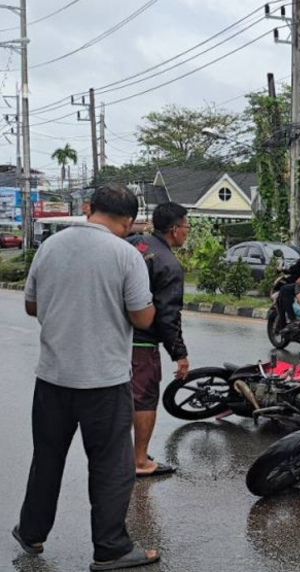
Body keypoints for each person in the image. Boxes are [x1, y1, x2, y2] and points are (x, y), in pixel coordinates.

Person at [15, 184, 160, 570]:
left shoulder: (51, 247)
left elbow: (31, 305)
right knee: (111, 466)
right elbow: (142, 317)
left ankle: (31, 532)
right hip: (104, 381)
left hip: (52, 378)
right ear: (128, 221)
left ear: (89, 208)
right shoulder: (125, 255)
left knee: (47, 458)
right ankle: (111, 548)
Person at [127, 202, 190, 478]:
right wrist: (179, 353)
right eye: (187, 227)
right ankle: (139, 460)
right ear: (175, 230)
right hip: (141, 344)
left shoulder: (133, 243)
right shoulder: (169, 265)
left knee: (120, 399)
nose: (187, 233)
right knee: (144, 400)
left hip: (113, 338)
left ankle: (123, 453)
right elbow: (167, 317)